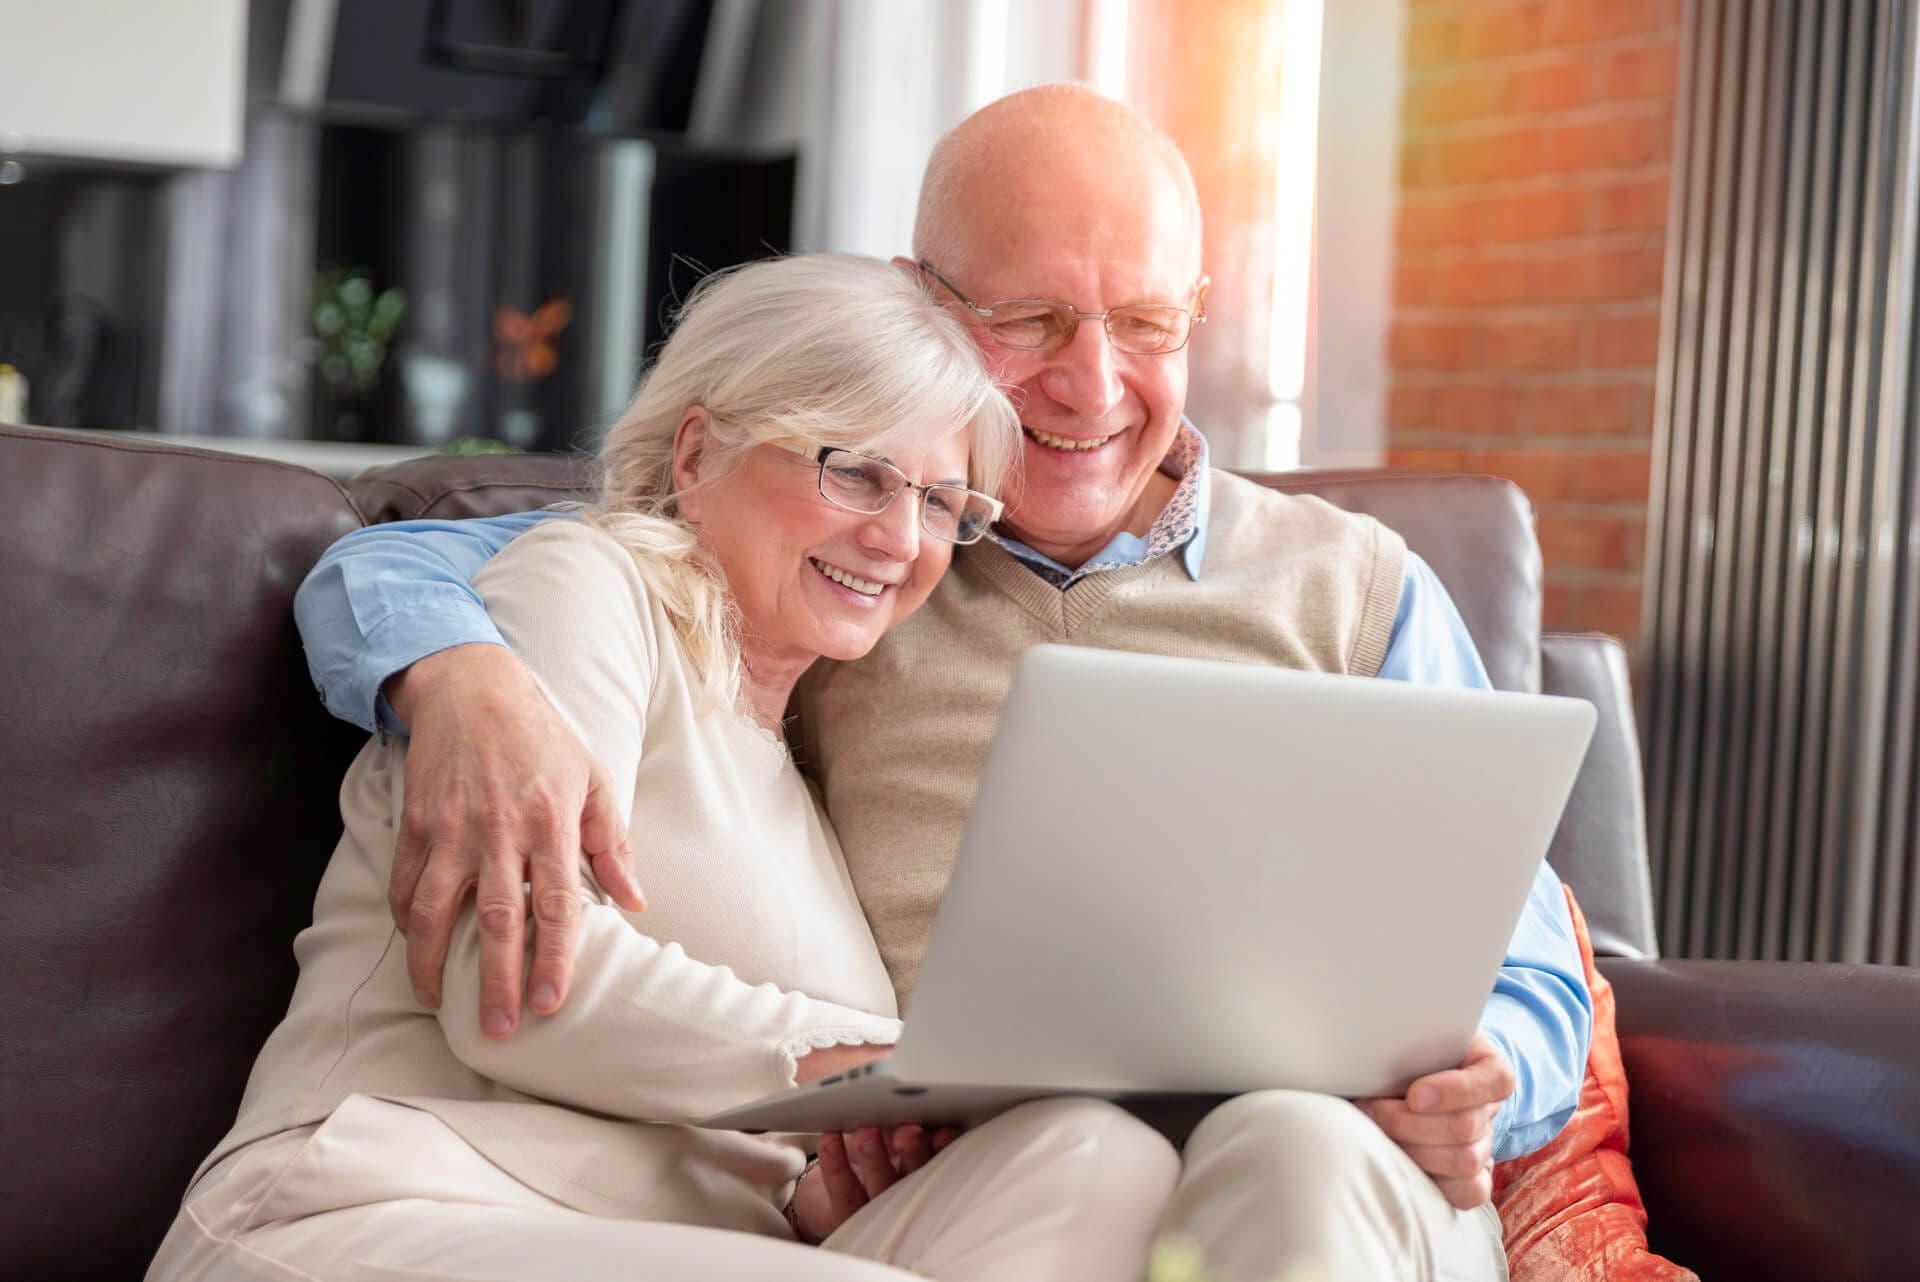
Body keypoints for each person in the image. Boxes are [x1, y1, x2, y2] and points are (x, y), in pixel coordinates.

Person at [293, 86, 1594, 1281]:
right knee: (1100, 1160)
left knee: (1293, 1150)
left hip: (1326, 1164)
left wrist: (1486, 1074)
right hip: (999, 1183)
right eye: (1030, 319)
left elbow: (1527, 964)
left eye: (1146, 323)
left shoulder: (1361, 585)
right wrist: (451, 669)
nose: (1093, 383)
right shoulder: (836, 572)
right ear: (926, 301)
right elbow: (483, 552)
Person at [149, 253, 1185, 1282]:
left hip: (667, 1249)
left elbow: (733, 1143)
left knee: (1100, 1157)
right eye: (858, 472)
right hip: (369, 1209)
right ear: (696, 454)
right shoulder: (583, 588)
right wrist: (894, 1062)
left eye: (942, 504)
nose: (899, 538)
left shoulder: (805, 776)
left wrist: (825, 1172)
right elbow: (517, 994)